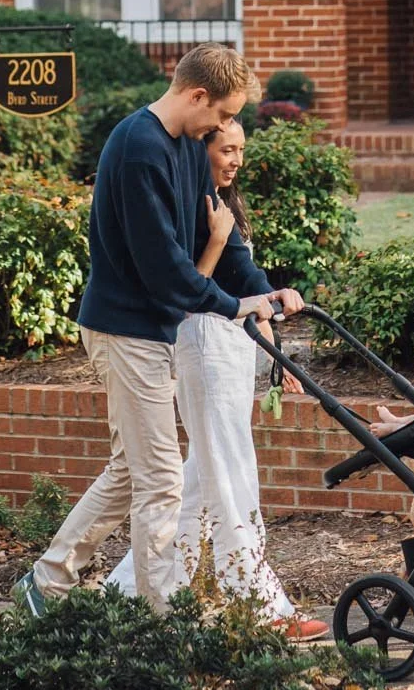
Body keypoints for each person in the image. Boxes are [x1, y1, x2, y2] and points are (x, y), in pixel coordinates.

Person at [15, 44, 294, 615]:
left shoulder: (188, 147)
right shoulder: (138, 148)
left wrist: (262, 290)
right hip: (125, 331)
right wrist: (232, 306)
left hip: (152, 329)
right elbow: (166, 271)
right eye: (221, 115)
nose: (223, 129)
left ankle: (46, 582)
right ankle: (160, 619)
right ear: (196, 96)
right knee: (162, 478)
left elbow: (215, 231)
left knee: (133, 467)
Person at [107, 115, 328, 638]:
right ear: (200, 146)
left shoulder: (220, 200)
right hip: (202, 343)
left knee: (203, 480)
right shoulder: (190, 199)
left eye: (241, 150)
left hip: (229, 347)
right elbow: (186, 286)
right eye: (226, 148)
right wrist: (238, 270)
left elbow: (242, 273)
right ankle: (259, 604)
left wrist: (271, 301)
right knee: (231, 472)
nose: (235, 160)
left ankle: (124, 593)